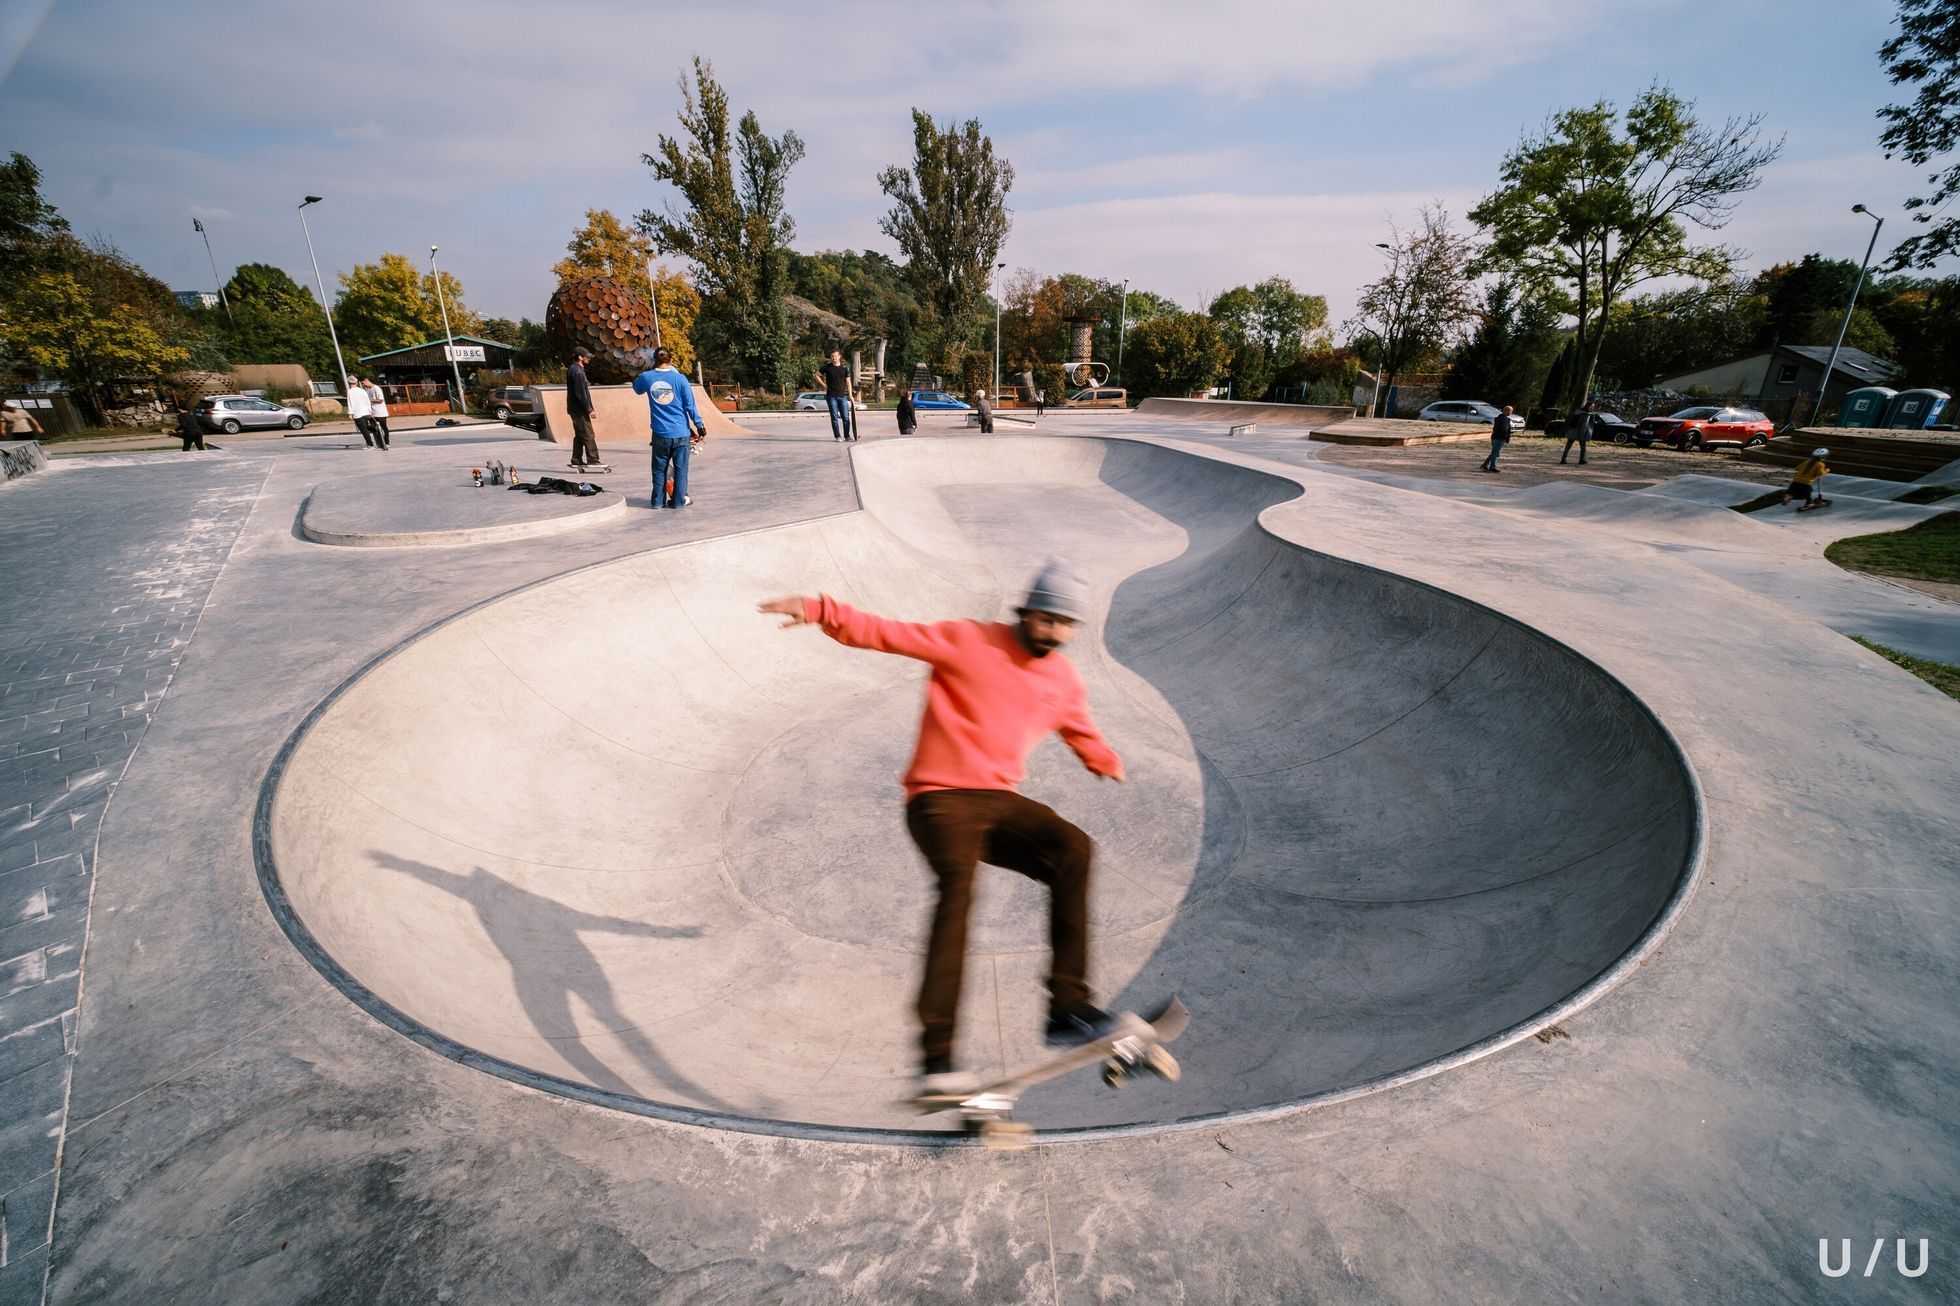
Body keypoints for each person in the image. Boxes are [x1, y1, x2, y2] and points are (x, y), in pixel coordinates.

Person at [756, 560, 1125, 1097]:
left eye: (1065, 626)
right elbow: (887, 634)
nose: (1053, 634)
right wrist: (821, 610)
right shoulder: (968, 640)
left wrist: (1100, 755)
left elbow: (1076, 723)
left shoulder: (1063, 679)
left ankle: (1067, 1007)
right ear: (1026, 612)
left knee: (1072, 849)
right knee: (958, 890)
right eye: (1046, 620)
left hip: (999, 802)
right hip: (937, 800)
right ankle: (938, 1058)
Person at [631, 347, 706, 508]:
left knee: (659, 470)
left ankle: (658, 502)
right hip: (681, 433)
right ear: (671, 360)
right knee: (681, 470)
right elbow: (690, 405)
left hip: (660, 434)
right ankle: (678, 502)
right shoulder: (680, 379)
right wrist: (699, 425)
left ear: (654, 361)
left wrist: (644, 372)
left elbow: (637, 389)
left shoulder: (647, 377)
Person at [567, 347, 599, 469]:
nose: (589, 358)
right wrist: (589, 409)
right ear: (580, 357)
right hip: (579, 409)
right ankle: (593, 459)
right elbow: (581, 394)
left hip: (575, 409)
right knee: (588, 434)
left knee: (580, 435)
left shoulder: (574, 369)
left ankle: (576, 459)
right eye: (587, 356)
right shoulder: (577, 372)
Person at [815, 349, 855, 442]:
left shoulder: (845, 368)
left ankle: (847, 436)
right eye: (832, 356)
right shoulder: (827, 367)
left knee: (845, 417)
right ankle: (837, 436)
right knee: (834, 417)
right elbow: (816, 375)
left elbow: (848, 382)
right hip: (831, 396)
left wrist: (850, 395)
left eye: (835, 356)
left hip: (842, 396)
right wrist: (824, 385)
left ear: (839, 357)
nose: (834, 358)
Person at [1480, 404, 1514, 472]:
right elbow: (1504, 429)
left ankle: (1485, 465)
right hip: (1500, 438)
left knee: (1494, 452)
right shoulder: (1504, 419)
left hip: (1494, 437)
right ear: (1506, 411)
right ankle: (1492, 467)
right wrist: (1506, 437)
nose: (1511, 413)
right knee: (1496, 453)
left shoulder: (1498, 418)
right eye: (1511, 411)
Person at [1561, 401, 1596, 465]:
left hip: (1573, 431)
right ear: (1588, 406)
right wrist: (1582, 435)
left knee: (1568, 445)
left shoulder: (1578, 412)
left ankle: (1563, 459)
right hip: (1580, 432)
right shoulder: (1586, 414)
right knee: (1583, 447)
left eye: (1593, 406)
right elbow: (1584, 425)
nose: (1593, 408)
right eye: (1592, 406)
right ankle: (1582, 460)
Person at [345, 377, 376, 448]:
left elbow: (350, 402)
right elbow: (367, 401)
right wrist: (370, 411)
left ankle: (370, 444)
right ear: (357, 383)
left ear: (349, 383)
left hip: (357, 413)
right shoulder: (362, 391)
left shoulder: (350, 391)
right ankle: (373, 431)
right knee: (366, 427)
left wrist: (350, 413)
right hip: (365, 412)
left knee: (364, 430)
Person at [364, 377, 391, 450]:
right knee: (372, 428)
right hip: (373, 413)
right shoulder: (368, 390)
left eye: (363, 383)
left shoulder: (377, 388)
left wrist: (370, 400)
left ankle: (387, 442)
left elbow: (380, 400)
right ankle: (378, 442)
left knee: (383, 427)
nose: (363, 385)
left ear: (367, 381)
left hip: (380, 412)